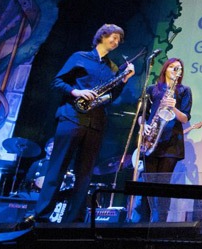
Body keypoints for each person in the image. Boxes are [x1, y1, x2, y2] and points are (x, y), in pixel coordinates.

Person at [28, 24, 135, 224]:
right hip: (71, 117)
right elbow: (57, 82)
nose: (116, 41)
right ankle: (41, 217)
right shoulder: (80, 57)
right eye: (113, 37)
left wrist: (124, 80)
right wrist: (76, 92)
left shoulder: (113, 67)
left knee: (85, 174)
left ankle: (74, 219)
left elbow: (111, 97)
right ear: (102, 36)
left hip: (95, 123)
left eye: (119, 39)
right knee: (57, 167)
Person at [137, 58, 192, 222]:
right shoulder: (152, 89)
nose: (177, 70)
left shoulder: (184, 90)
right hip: (151, 139)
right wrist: (144, 125)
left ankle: (160, 222)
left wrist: (173, 106)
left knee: (163, 184)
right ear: (166, 69)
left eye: (179, 68)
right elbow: (142, 115)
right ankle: (142, 222)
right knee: (147, 184)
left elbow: (185, 119)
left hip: (171, 143)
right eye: (173, 67)